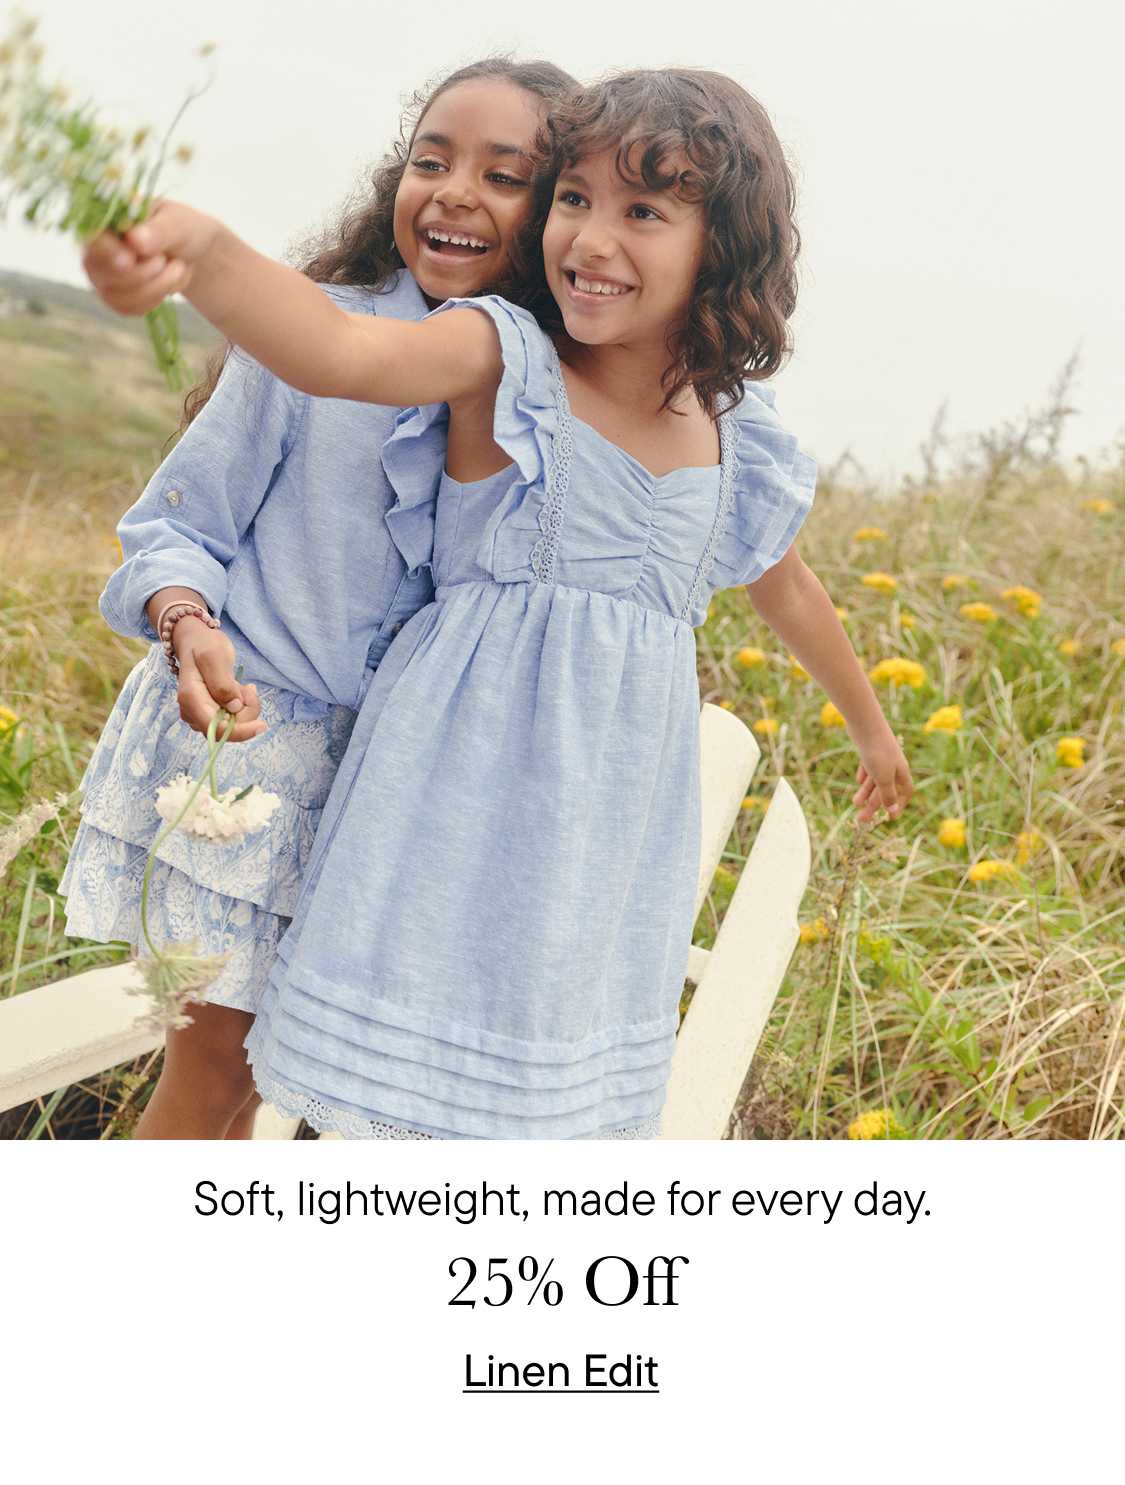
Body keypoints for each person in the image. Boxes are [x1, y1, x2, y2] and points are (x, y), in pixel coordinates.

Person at [83, 67, 914, 1140]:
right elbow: (341, 351)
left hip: (592, 840)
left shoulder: (732, 433)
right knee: (321, 1095)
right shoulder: (503, 356)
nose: (593, 237)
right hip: (435, 801)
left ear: (727, 243)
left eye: (643, 211)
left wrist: (873, 726)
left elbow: (788, 585)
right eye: (575, 198)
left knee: (509, 1110)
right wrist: (202, 251)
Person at [63, 57, 577, 1140]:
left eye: (504, 174)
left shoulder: (547, 396)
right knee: (212, 1082)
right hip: (244, 758)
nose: (452, 192)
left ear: (562, 213)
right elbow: (179, 527)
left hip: (394, 801)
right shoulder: (310, 335)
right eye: (429, 161)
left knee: (296, 1093)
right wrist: (187, 624)